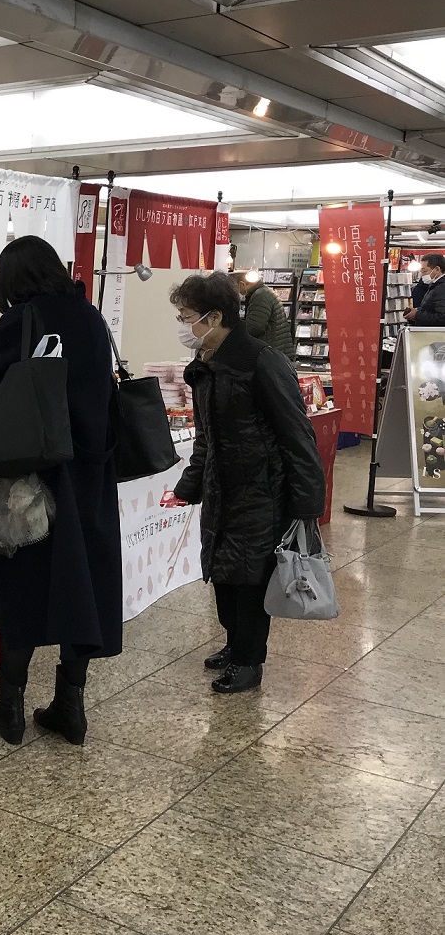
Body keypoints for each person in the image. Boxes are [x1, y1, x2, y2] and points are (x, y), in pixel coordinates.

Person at [0, 236, 122, 747]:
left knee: (23, 588)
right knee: (86, 587)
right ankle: (69, 706)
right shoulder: (90, 318)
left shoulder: (24, 319)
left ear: (15, 282)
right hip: (91, 476)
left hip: (33, 479)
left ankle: (9, 708)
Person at [168, 271, 325, 694]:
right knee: (223, 572)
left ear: (214, 316)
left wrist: (307, 506)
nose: (183, 325)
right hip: (223, 488)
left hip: (262, 490)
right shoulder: (205, 366)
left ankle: (248, 662)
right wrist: (188, 486)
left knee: (250, 578)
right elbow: (207, 437)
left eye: (187, 317)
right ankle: (234, 643)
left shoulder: (261, 360)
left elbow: (297, 435)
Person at [237, 271, 294, 357]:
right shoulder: (265, 291)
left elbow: (255, 327)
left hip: (271, 351)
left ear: (242, 284)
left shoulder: (259, 296)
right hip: (279, 348)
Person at [407, 253, 445, 326]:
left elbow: (442, 317)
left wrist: (417, 315)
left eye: (424, 271)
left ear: (437, 269)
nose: (422, 275)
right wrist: (418, 310)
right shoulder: (434, 286)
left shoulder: (442, 288)